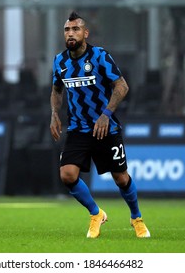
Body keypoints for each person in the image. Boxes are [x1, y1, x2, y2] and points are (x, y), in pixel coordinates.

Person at [50, 12, 150, 238]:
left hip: (106, 128)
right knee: (67, 175)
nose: (71, 33)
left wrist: (106, 114)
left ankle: (136, 217)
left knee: (121, 178)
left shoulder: (100, 56)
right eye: (67, 30)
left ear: (85, 33)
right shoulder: (60, 61)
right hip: (78, 129)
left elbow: (122, 86)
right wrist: (55, 113)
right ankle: (96, 213)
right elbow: (56, 90)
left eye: (75, 29)